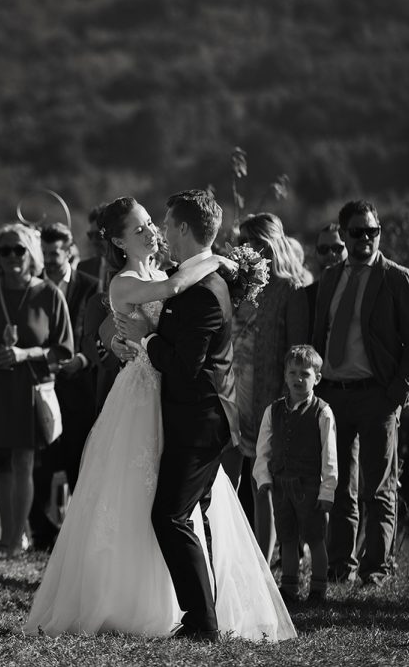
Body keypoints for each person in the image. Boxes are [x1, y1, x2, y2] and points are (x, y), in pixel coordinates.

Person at [25, 194, 295, 642]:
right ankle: (140, 601)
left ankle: (192, 611)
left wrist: (216, 266)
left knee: (173, 508)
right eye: (141, 228)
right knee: (143, 500)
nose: (153, 232)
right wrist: (217, 263)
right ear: (117, 241)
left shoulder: (172, 274)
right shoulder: (134, 281)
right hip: (144, 397)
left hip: (177, 401)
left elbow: (168, 313)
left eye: (155, 222)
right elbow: (164, 297)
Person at [311, 200, 409, 585]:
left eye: (372, 231)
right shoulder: (330, 278)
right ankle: (341, 565)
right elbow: (320, 336)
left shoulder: (397, 278)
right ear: (343, 234)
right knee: (340, 484)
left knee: (378, 488)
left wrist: (396, 394)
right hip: (333, 394)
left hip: (377, 396)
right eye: (357, 231)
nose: (365, 238)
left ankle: (378, 568)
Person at [0, 223, 73, 558]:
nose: (11, 257)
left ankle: (13, 540)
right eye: (4, 250)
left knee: (24, 462)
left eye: (18, 249)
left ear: (31, 253)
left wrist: (26, 353)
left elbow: (63, 350)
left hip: (28, 388)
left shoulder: (49, 294)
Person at [221, 213, 310, 561]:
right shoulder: (238, 286)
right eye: (245, 242)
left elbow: (298, 349)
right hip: (233, 386)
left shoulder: (291, 289)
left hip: (269, 390)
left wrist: (292, 399)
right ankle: (227, 554)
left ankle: (263, 560)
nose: (250, 249)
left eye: (256, 242)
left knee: (263, 482)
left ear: (272, 242)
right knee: (227, 479)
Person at [30, 223, 100, 550]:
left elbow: (98, 333)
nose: (49, 260)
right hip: (43, 382)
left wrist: (83, 360)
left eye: (54, 253)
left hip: (77, 385)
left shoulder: (90, 286)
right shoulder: (34, 286)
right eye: (44, 253)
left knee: (77, 460)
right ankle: (42, 532)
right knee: (42, 462)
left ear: (69, 249)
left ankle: (77, 531)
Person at [254, 345, 338, 603]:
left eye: (305, 373)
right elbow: (263, 449)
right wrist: (264, 479)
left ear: (317, 378)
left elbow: (330, 455)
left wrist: (327, 490)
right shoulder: (274, 411)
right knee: (287, 538)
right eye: (293, 373)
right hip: (281, 485)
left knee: (314, 537)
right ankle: (289, 588)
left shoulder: (322, 412)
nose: (298, 379)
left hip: (310, 486)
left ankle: (318, 589)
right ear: (285, 375)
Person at [301, 223, 347, 341]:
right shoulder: (306, 296)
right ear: (316, 253)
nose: (331, 254)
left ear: (348, 249)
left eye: (337, 248)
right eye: (323, 249)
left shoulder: (361, 290)